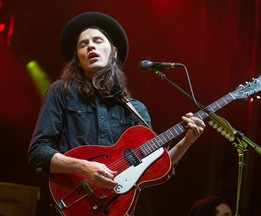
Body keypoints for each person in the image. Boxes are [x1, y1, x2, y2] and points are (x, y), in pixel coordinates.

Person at [27, 12, 205, 214]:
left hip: (116, 208)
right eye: (83, 44)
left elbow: (157, 166)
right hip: (72, 203)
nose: (91, 46)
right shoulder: (62, 91)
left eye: (97, 41)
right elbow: (38, 152)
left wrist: (187, 141)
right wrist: (85, 168)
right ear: (77, 57)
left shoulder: (135, 109)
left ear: (113, 52)